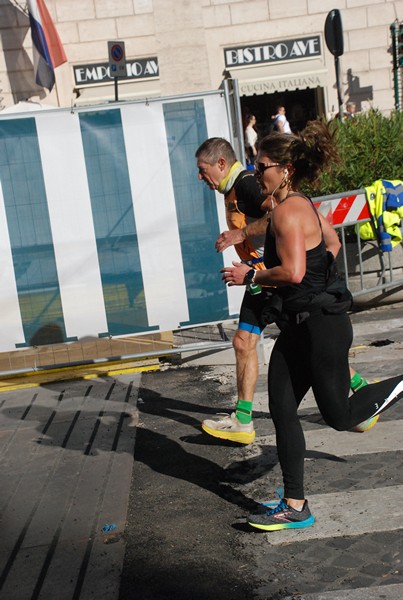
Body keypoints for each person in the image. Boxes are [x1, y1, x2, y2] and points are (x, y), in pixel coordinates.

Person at [221, 122, 403, 531]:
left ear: (284, 169)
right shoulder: (300, 206)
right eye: (253, 164)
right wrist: (328, 282)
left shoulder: (289, 210)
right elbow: (333, 242)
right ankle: (295, 504)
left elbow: (294, 272)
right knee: (282, 408)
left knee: (340, 416)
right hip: (301, 327)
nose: (254, 172)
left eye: (260, 165)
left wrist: (251, 276)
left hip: (321, 330)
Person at [195, 137, 370, 446]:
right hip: (267, 274)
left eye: (203, 169)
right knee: (294, 345)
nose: (200, 177)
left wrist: (244, 238)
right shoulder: (241, 186)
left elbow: (278, 215)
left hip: (268, 275)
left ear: (221, 164)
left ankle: (244, 420)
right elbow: (324, 235)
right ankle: (358, 388)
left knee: (247, 340)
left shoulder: (248, 185)